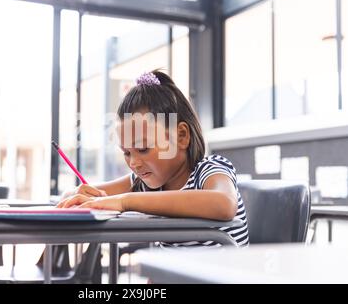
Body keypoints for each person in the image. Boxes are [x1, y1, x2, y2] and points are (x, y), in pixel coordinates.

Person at [58, 70, 249, 247]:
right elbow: (75, 196)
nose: (133, 163)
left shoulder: (210, 169)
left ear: (181, 136)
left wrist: (125, 201)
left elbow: (224, 204)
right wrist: (75, 195)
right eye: (127, 152)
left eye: (143, 148)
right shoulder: (144, 182)